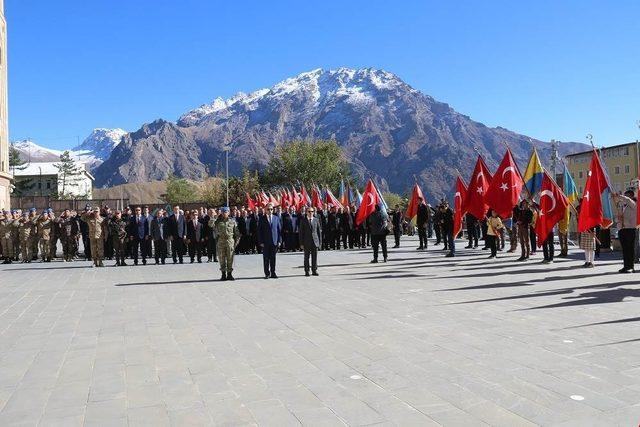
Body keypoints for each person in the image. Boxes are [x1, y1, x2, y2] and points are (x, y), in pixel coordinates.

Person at [613, 190, 637, 273]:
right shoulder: (621, 205)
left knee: (630, 248)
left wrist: (619, 195)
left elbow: (627, 200)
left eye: (626, 195)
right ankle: (625, 266)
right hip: (621, 229)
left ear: (631, 196)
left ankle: (631, 267)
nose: (624, 197)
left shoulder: (633, 204)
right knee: (625, 249)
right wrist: (618, 219)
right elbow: (616, 217)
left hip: (630, 229)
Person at [213, 207, 240, 281]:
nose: (224, 213)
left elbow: (237, 233)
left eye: (226, 212)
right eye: (223, 212)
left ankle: (230, 274)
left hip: (230, 241)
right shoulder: (217, 221)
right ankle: (223, 274)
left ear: (228, 212)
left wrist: (235, 243)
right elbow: (210, 225)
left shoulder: (232, 221)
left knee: (230, 258)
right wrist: (214, 217)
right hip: (221, 241)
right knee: (221, 258)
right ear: (221, 212)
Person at [258, 203, 282, 279]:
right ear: (265, 210)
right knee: (266, 259)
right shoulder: (262, 219)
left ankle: (273, 272)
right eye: (268, 209)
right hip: (265, 242)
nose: (270, 210)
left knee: (273, 258)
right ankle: (267, 273)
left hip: (274, 242)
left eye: (271, 209)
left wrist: (279, 241)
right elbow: (259, 231)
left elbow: (279, 231)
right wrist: (261, 242)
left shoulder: (276, 218)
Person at [299, 206, 322, 276]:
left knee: (314, 257)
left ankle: (314, 270)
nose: (311, 213)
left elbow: (319, 232)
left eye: (312, 211)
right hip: (306, 242)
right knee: (306, 257)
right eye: (309, 211)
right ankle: (307, 271)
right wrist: (301, 243)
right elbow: (301, 233)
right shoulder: (303, 220)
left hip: (315, 242)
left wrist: (320, 243)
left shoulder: (316, 220)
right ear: (306, 212)